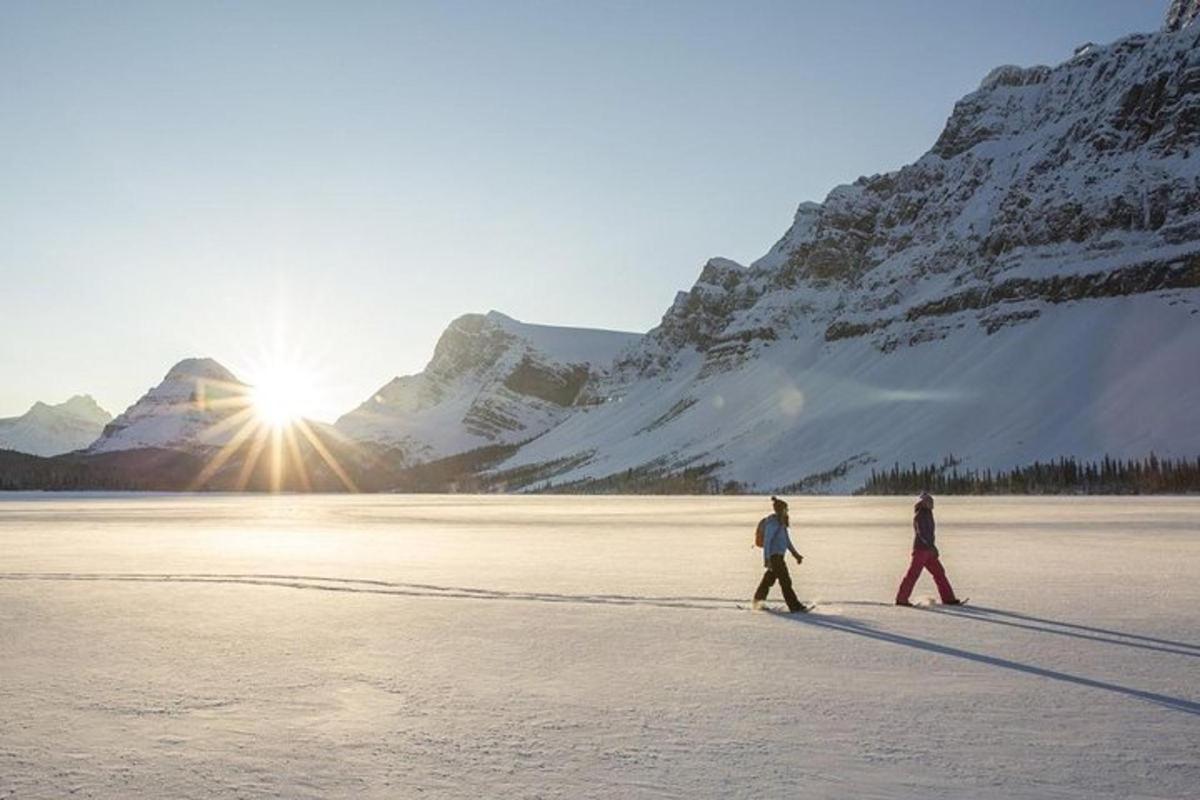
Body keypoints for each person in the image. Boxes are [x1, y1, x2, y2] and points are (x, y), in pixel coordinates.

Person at [895, 491, 964, 606]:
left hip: (929, 550)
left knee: (939, 573)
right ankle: (901, 599)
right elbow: (922, 533)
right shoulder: (920, 515)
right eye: (929, 501)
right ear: (923, 503)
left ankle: (948, 598)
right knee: (913, 574)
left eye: (932, 501)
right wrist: (930, 546)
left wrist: (932, 547)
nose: (932, 504)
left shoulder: (927, 513)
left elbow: (928, 534)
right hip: (921, 550)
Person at [753, 496, 806, 613]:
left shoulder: (781, 523)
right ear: (780, 510)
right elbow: (767, 542)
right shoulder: (773, 524)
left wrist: (796, 555)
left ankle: (757, 601)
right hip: (774, 558)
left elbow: (787, 541)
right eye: (786, 509)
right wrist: (767, 559)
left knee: (768, 580)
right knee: (785, 581)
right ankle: (795, 606)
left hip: (778, 557)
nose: (787, 512)